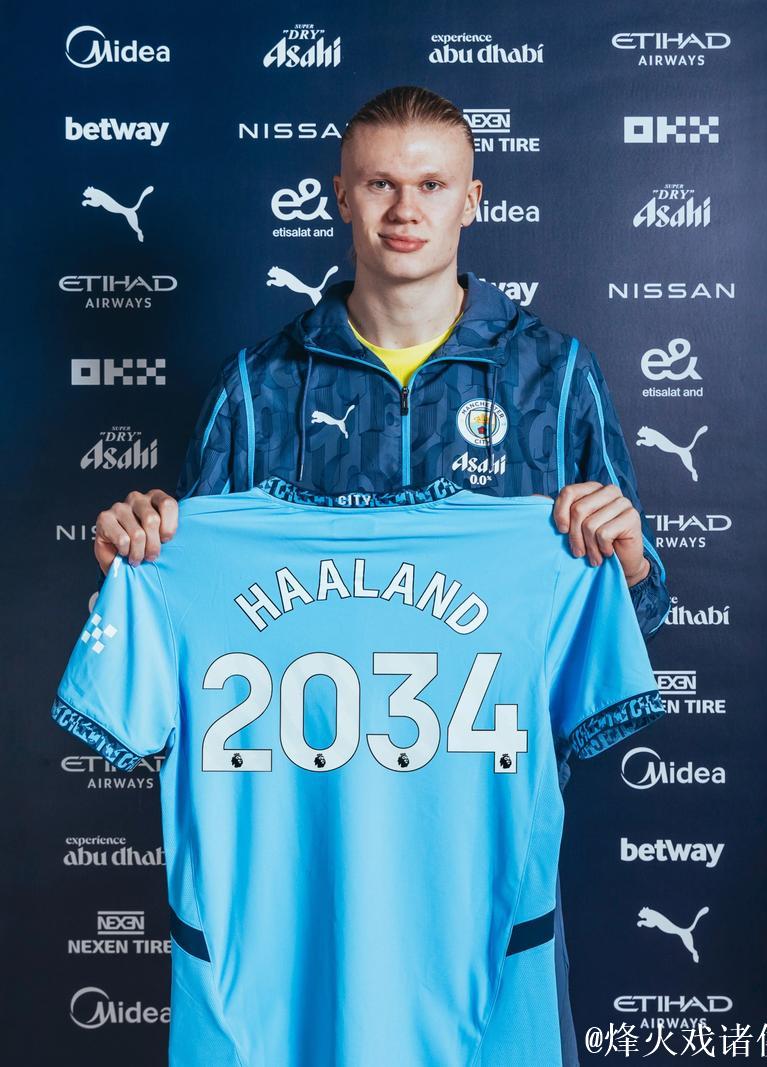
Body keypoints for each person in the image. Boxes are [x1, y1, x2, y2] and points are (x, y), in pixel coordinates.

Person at [91, 85, 669, 1066]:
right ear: (340, 196)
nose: (406, 209)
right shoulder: (256, 387)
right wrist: (136, 562)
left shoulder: (556, 376)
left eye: (432, 185)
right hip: (296, 877)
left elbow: (624, 624)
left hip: (476, 868)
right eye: (380, 184)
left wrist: (630, 560)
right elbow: (185, 637)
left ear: (471, 199)